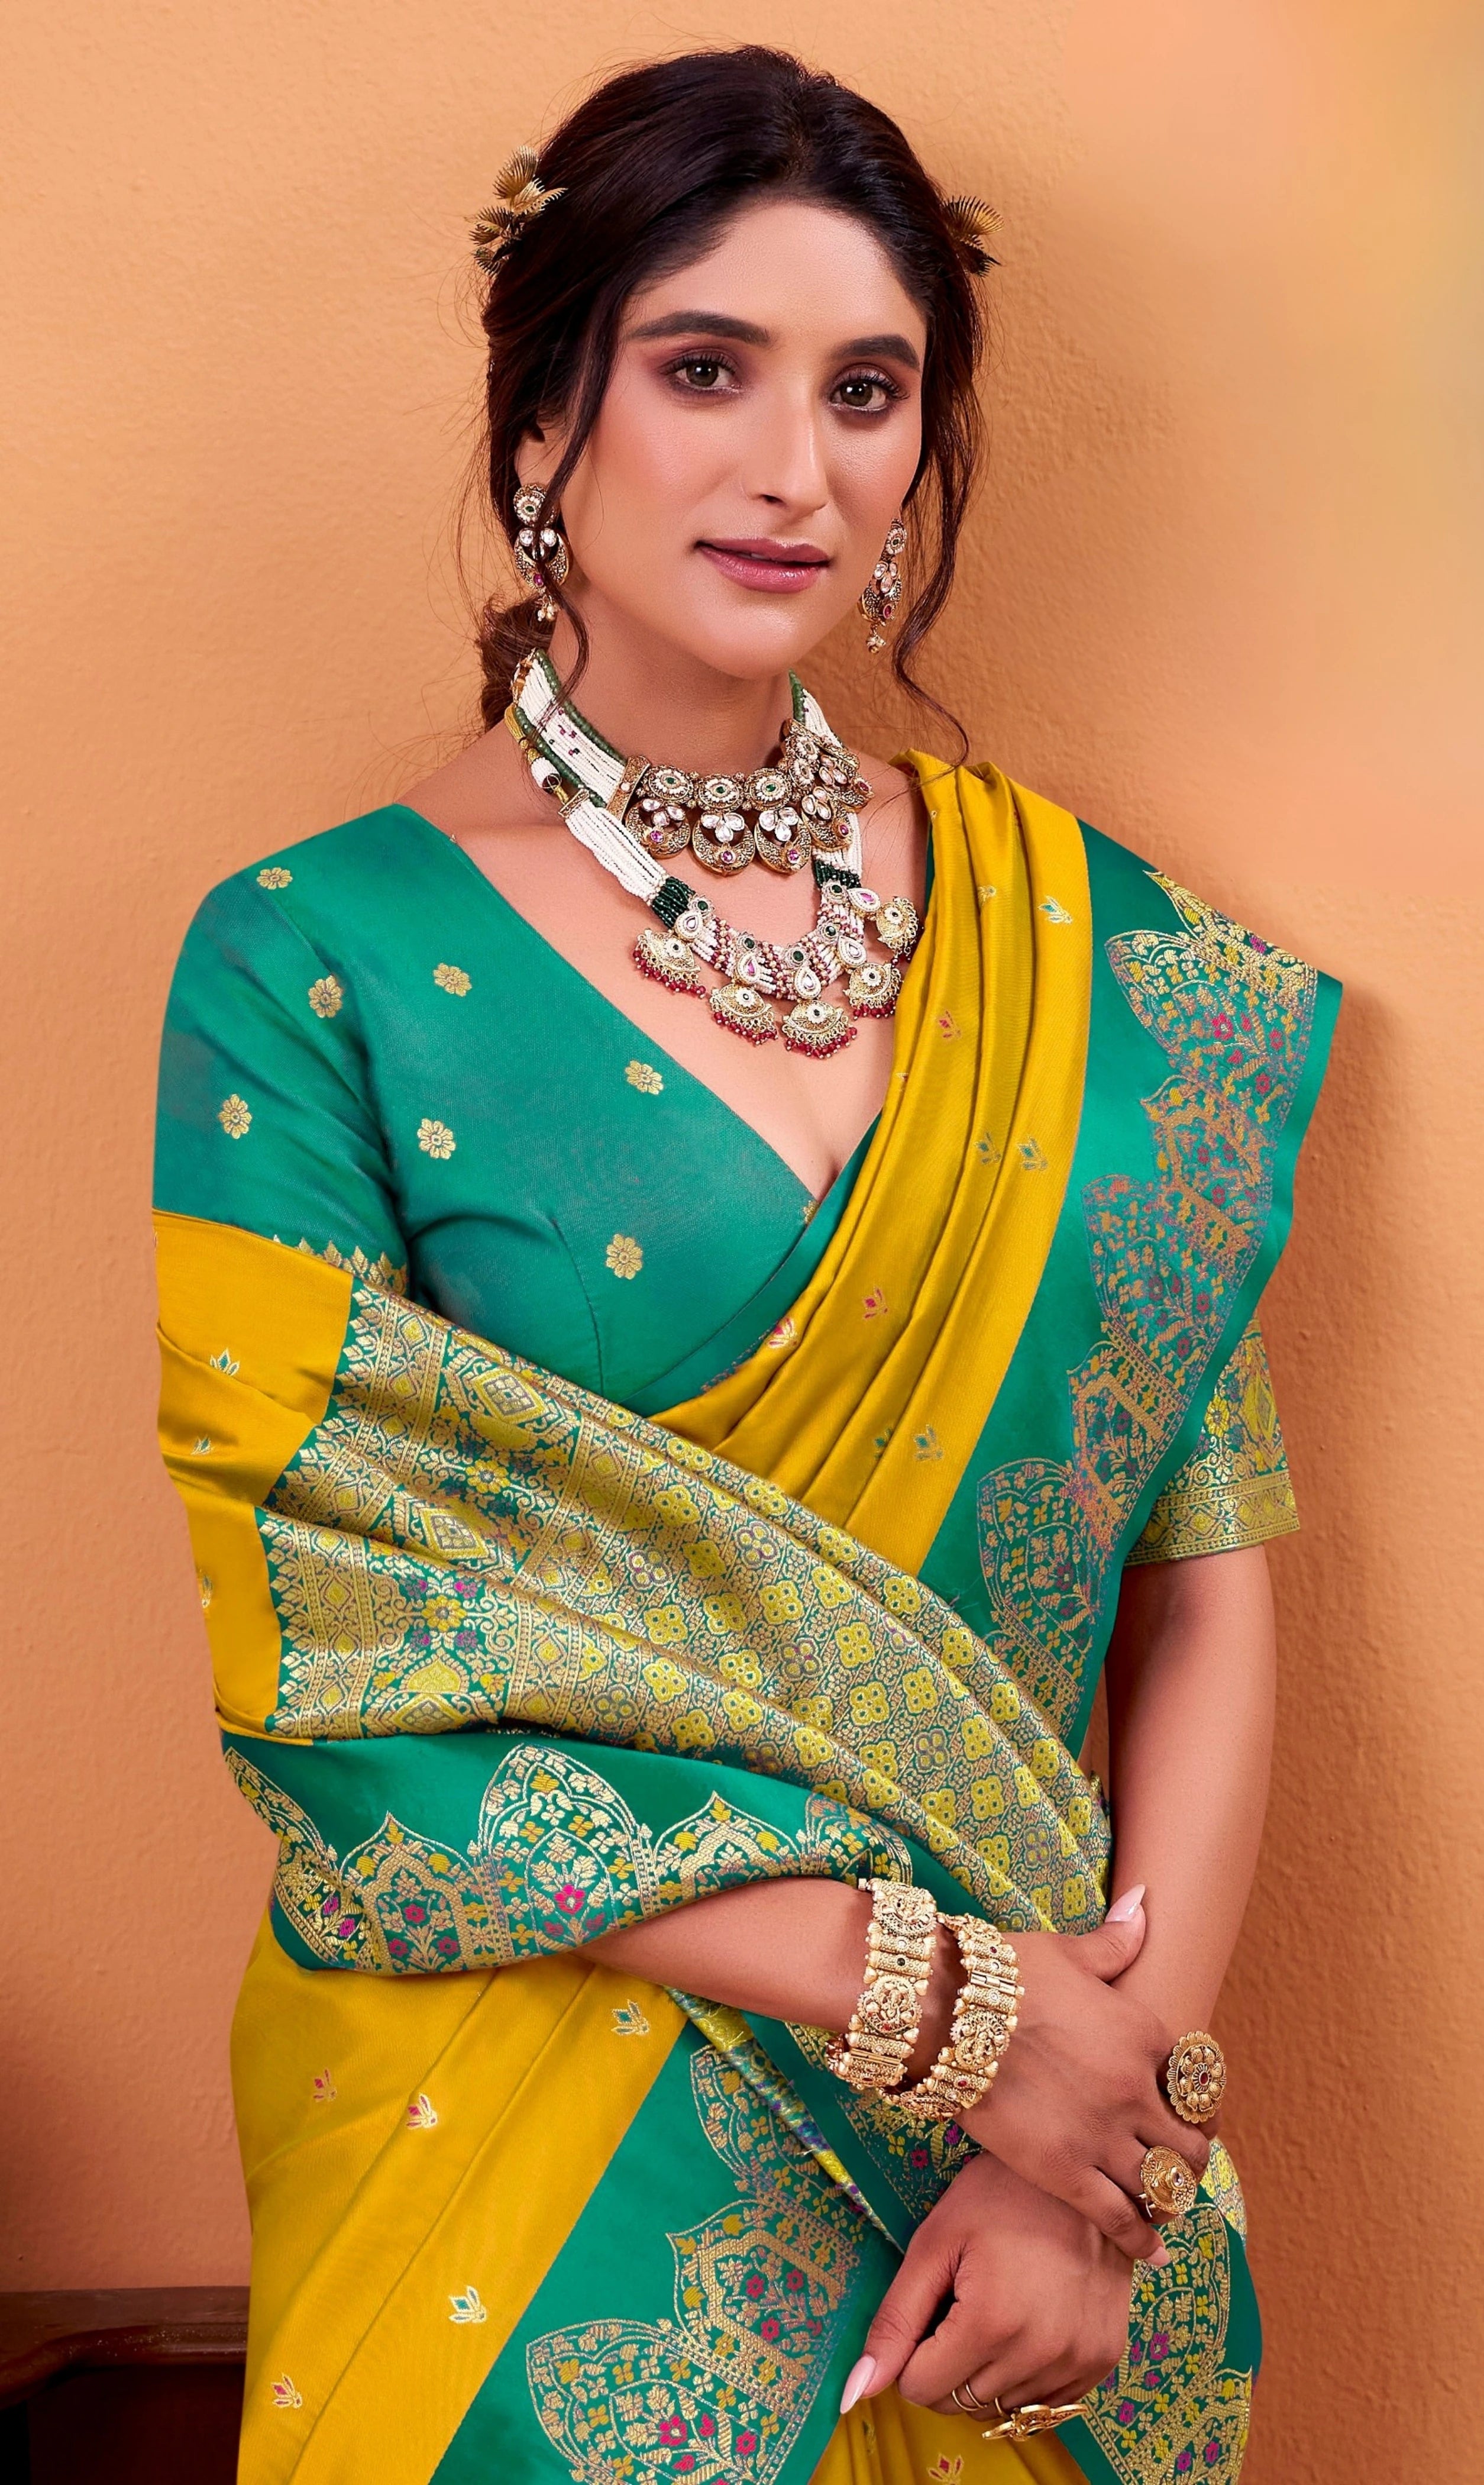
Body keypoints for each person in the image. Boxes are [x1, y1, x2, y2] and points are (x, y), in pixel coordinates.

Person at [153, 47, 1337, 2485]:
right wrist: (936, 2007)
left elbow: (1198, 1568)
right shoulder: (307, 966)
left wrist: (1093, 2145)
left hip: (1037, 2154)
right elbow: (333, 1680)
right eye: (706, 367)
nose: (794, 466)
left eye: (867, 390)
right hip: (523, 2148)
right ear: (545, 418)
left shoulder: (1092, 958)